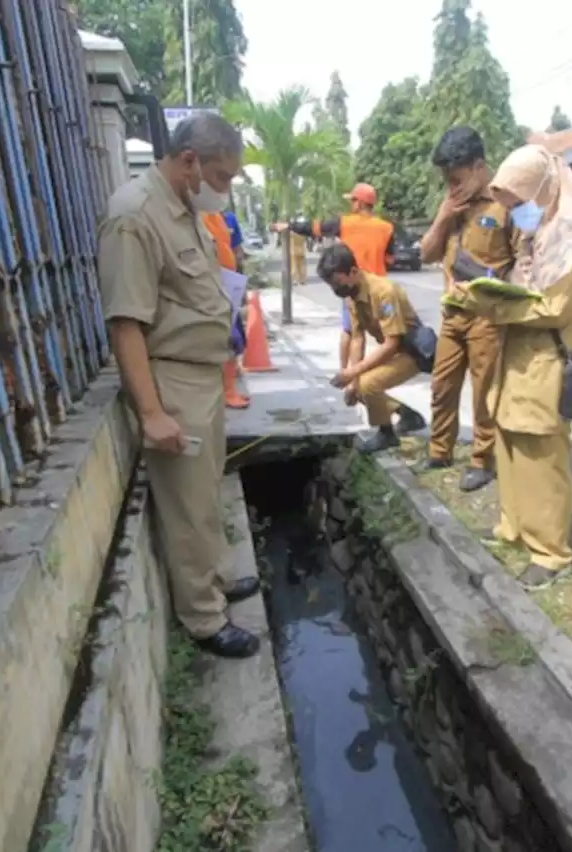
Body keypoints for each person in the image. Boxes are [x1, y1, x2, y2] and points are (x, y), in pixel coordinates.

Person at [97, 113, 261, 658]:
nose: (226, 188)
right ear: (190, 161)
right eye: (223, 176)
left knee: (205, 490)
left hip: (202, 376)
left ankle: (215, 576)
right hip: (170, 382)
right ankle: (205, 618)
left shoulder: (182, 207)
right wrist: (151, 413)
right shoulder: (135, 217)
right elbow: (127, 324)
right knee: (187, 507)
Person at [455, 144, 572, 590]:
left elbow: (555, 309)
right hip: (518, 354)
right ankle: (514, 527)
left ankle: (550, 552)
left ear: (541, 189)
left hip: (549, 355)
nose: (515, 213)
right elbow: (521, 285)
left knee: (541, 456)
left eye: (518, 203)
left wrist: (489, 305)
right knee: (507, 442)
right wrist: (486, 285)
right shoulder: (538, 231)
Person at [418, 126, 521, 493]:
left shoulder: (509, 204)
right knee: (442, 385)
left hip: (487, 318)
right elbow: (426, 253)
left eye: (457, 179)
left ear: (479, 167)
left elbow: (528, 258)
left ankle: (482, 459)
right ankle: (439, 449)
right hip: (453, 314)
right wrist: (444, 216)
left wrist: (498, 279)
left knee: (483, 392)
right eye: (446, 181)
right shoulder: (451, 206)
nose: (452, 188)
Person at [272, 183, 403, 396]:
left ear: (360, 203)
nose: (351, 204)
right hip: (379, 288)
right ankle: (367, 375)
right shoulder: (386, 227)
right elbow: (390, 258)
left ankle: (348, 375)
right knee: (381, 336)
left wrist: (288, 226)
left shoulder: (345, 223)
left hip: (351, 284)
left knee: (352, 332)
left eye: (353, 200)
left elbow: (314, 228)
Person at [318, 243, 426, 453]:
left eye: (338, 283)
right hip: (393, 350)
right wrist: (351, 380)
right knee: (358, 386)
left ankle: (386, 435)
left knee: (367, 384)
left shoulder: (384, 292)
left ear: (354, 272)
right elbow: (357, 339)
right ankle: (406, 414)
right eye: (331, 286)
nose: (336, 290)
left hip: (413, 351)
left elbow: (392, 343)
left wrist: (354, 373)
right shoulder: (351, 296)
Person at [201, 211, 251, 410]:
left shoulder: (222, 217)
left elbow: (235, 251)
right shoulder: (196, 215)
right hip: (213, 286)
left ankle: (228, 391)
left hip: (228, 286)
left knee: (233, 339)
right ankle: (227, 393)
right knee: (228, 339)